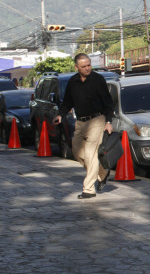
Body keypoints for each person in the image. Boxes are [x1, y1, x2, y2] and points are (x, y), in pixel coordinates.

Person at [53, 53, 113, 199]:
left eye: (89, 65)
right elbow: (67, 102)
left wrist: (109, 121)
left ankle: (89, 189)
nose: (87, 68)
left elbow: (108, 101)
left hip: (97, 120)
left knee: (90, 152)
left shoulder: (98, 79)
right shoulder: (73, 81)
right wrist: (60, 114)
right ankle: (102, 172)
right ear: (76, 67)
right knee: (77, 152)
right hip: (80, 122)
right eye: (84, 66)